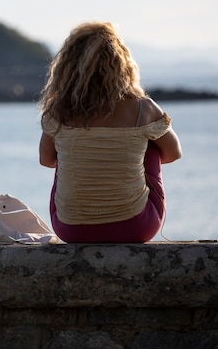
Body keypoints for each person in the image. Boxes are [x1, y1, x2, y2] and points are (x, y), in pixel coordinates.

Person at [38, 21, 182, 243]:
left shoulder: (58, 112)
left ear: (68, 66)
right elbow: (173, 153)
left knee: (65, 154)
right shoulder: (143, 108)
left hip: (71, 230)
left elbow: (47, 160)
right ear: (121, 64)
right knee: (151, 144)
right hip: (134, 227)